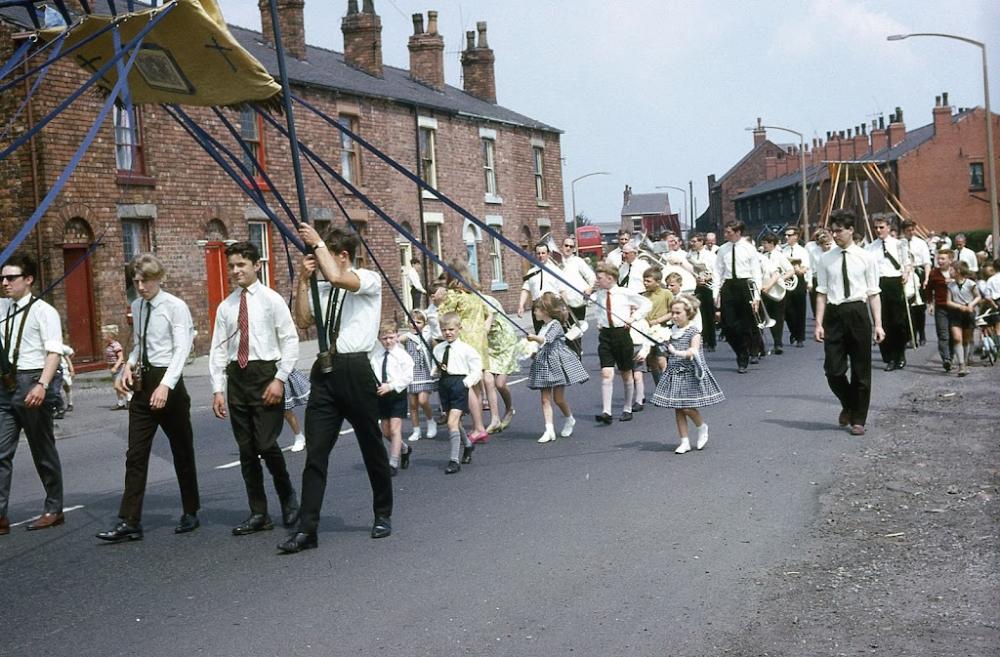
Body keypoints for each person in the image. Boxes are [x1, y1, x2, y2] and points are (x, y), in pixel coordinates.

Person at [279, 225, 393, 554]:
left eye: (323, 253)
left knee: (371, 445)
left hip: (355, 369)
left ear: (342, 256)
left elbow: (340, 279)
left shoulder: (365, 280)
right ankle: (307, 529)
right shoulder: (323, 287)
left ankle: (382, 513)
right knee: (315, 452)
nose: (317, 258)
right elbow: (301, 321)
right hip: (325, 370)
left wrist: (316, 243)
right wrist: (302, 281)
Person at [97, 253, 199, 542]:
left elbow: (182, 350)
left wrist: (166, 386)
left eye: (146, 281)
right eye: (136, 281)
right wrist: (129, 363)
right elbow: (140, 344)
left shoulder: (175, 307)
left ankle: (191, 511)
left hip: (170, 383)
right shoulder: (138, 306)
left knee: (181, 450)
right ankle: (130, 520)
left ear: (159, 278)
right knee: (135, 454)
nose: (141, 286)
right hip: (144, 384)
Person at [0, 253, 66, 536]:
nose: (5, 283)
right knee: (1, 452)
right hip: (5, 385)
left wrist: (42, 384)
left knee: (42, 450)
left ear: (28, 280)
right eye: (2, 278)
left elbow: (54, 352)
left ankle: (54, 508)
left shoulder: (44, 311)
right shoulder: (3, 308)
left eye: (11, 278)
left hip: (33, 380)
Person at [814, 210, 885, 437]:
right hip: (834, 315)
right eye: (832, 231)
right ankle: (849, 402)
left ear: (851, 230)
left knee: (861, 371)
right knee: (833, 371)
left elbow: (874, 293)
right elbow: (821, 293)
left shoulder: (866, 257)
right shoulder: (826, 259)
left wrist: (878, 324)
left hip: (857, 312)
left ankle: (859, 419)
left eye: (839, 231)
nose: (835, 235)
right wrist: (818, 323)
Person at [652, 295, 725, 454]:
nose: (674, 316)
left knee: (686, 407)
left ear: (688, 314)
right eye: (672, 313)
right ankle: (684, 441)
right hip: (674, 372)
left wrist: (676, 352)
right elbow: (665, 351)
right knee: (678, 408)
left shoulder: (693, 332)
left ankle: (701, 426)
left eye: (678, 313)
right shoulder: (671, 331)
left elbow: (693, 351)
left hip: (690, 372)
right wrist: (661, 345)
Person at [591, 262, 652, 425]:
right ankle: (606, 412)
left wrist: (633, 318)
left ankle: (627, 408)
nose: (597, 281)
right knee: (606, 373)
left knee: (626, 373)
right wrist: (600, 321)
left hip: (622, 335)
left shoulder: (624, 293)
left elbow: (647, 304)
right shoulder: (600, 294)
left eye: (600, 278)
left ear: (610, 278)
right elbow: (596, 308)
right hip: (605, 335)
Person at [527, 292, 589, 443]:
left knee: (558, 398)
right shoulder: (543, 326)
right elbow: (540, 344)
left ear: (545, 311)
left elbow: (546, 340)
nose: (534, 312)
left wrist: (534, 338)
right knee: (544, 399)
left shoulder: (555, 325)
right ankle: (549, 430)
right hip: (544, 364)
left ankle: (569, 419)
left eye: (537, 309)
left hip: (557, 363)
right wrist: (533, 351)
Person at [440, 260, 490, 442]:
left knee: (466, 385)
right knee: (476, 386)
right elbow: (487, 311)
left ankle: (477, 427)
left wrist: (439, 300)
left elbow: (443, 318)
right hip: (479, 341)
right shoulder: (475, 293)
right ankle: (479, 426)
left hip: (464, 342)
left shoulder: (454, 295)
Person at [432, 312, 482, 474]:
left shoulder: (466, 349)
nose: (448, 333)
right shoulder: (438, 348)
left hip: (459, 385)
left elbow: (477, 371)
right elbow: (436, 367)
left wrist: (465, 383)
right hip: (444, 385)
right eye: (444, 329)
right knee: (452, 420)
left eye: (451, 329)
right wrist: (435, 371)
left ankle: (454, 460)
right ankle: (468, 445)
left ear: (459, 329)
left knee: (452, 422)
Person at [713, 221, 763, 373]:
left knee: (747, 324)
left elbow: (756, 273)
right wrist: (716, 293)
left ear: (738, 232)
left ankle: (745, 356)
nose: (726, 235)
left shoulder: (749, 248)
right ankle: (742, 350)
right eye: (726, 232)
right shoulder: (723, 249)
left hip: (745, 285)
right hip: (729, 286)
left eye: (729, 232)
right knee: (728, 325)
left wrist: (756, 297)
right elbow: (717, 271)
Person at [370, 321, 414, 475]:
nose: (388, 341)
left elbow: (408, 376)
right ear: (379, 339)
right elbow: (373, 374)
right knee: (386, 432)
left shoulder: (402, 356)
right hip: (381, 395)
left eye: (391, 337)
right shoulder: (376, 356)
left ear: (397, 336)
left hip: (396, 394)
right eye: (384, 338)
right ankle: (404, 448)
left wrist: (391, 386)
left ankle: (393, 463)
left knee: (395, 429)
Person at [866, 216, 908, 371]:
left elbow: (907, 263)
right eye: (876, 227)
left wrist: (907, 273)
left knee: (898, 322)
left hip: (895, 283)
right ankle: (889, 357)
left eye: (881, 227)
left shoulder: (899, 245)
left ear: (889, 228)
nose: (878, 230)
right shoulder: (870, 248)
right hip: (878, 284)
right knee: (882, 322)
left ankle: (900, 354)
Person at [480, 295, 518, 434]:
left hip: (504, 341)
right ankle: (494, 419)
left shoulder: (485, 302)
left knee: (500, 384)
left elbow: (486, 327)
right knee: (488, 380)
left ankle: (509, 409)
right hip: (488, 344)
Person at [399, 310, 438, 442]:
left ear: (424, 324)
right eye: (412, 321)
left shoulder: (428, 337)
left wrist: (437, 365)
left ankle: (430, 421)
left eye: (418, 322)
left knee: (423, 400)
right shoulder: (407, 337)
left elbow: (437, 349)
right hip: (411, 374)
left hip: (425, 373)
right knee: (413, 404)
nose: (414, 324)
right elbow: (395, 342)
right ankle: (416, 430)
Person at [558, 236, 596, 356]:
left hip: (577, 302)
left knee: (576, 333)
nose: (568, 248)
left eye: (571, 246)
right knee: (562, 333)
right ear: (561, 246)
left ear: (574, 249)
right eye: (566, 245)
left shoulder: (578, 261)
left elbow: (591, 277)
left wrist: (590, 288)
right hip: (561, 304)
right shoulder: (556, 262)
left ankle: (577, 358)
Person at [518, 243, 564, 333]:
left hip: (552, 306)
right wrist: (521, 305)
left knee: (554, 335)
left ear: (548, 254)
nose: (541, 256)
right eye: (538, 253)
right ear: (535, 254)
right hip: (538, 307)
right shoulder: (531, 272)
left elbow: (562, 291)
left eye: (543, 253)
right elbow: (525, 289)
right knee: (540, 334)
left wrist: (564, 309)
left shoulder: (555, 270)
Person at [760, 233, 794, 354]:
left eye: (765, 243)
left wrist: (781, 279)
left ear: (772, 244)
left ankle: (777, 343)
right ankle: (760, 345)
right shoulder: (762, 256)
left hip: (776, 291)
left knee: (778, 317)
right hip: (763, 290)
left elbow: (790, 270)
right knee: (761, 318)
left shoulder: (779, 256)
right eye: (763, 242)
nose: (763, 245)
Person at [945, 261, 981, 377]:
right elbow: (948, 301)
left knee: (966, 339)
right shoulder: (950, 286)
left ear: (958, 271)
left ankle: (965, 361)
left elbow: (978, 296)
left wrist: (971, 305)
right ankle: (961, 364)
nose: (949, 272)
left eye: (951, 270)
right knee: (957, 338)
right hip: (956, 313)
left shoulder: (971, 284)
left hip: (968, 313)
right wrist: (960, 307)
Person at [924, 248, 956, 371]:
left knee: (953, 334)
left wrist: (953, 281)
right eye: (938, 259)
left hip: (955, 308)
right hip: (941, 307)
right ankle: (946, 359)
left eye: (943, 259)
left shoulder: (956, 271)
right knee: (943, 334)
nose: (940, 261)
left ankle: (951, 356)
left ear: (950, 260)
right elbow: (928, 290)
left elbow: (967, 283)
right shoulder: (934, 273)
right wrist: (930, 304)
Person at [900, 220, 931, 346]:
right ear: (904, 231)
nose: (911, 232)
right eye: (908, 230)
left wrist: (927, 278)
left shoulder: (921, 243)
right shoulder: (900, 243)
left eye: (912, 229)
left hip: (919, 274)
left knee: (919, 307)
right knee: (908, 308)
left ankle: (921, 333)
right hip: (906, 275)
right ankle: (910, 335)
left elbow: (926, 262)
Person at [641, 266, 672, 384]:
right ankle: (659, 386)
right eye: (644, 280)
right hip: (647, 332)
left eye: (648, 281)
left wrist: (658, 321)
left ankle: (668, 385)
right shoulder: (643, 296)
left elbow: (672, 312)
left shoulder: (666, 294)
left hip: (662, 331)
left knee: (661, 359)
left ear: (658, 282)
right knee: (652, 361)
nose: (645, 283)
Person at [781, 227, 810, 347]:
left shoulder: (802, 251)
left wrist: (799, 270)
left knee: (800, 309)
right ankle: (793, 331)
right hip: (786, 280)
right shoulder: (783, 250)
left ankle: (800, 337)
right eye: (785, 235)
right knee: (787, 310)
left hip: (799, 281)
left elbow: (806, 267)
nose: (786, 237)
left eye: (789, 235)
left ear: (796, 236)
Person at [687, 233, 717, 351]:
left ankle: (711, 342)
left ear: (701, 242)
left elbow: (715, 271)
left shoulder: (710, 256)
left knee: (709, 315)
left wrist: (706, 278)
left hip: (708, 287)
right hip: (696, 286)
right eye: (692, 241)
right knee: (700, 315)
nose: (692, 244)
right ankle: (702, 339)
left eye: (694, 241)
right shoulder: (689, 256)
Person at [283, 368, 310, 452]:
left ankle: (299, 436)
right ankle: (265, 445)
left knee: (285, 409)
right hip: (257, 375)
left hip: (279, 371)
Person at [104, 325, 131, 410]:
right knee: (118, 387)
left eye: (104, 335)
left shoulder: (116, 345)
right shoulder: (109, 345)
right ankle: (120, 402)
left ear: (110, 335)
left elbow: (121, 357)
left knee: (116, 386)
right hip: (113, 368)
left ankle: (129, 396)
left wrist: (115, 367)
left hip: (119, 368)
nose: (103, 337)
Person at [54, 344, 74, 420]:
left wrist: (71, 369)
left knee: (67, 386)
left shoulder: (61, 347)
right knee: (55, 388)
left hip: (64, 368)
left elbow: (69, 356)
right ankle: (56, 406)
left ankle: (70, 403)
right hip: (53, 369)